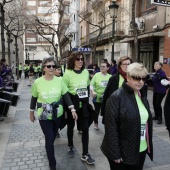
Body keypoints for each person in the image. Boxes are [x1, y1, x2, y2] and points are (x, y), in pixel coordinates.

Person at [101, 62, 153, 170]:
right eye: (136, 78)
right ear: (128, 77)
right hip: (122, 152)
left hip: (141, 148)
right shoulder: (116, 97)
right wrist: (115, 153)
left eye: (143, 79)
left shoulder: (141, 94)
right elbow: (111, 127)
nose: (140, 82)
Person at [29, 57, 77, 170]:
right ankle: (52, 164)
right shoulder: (37, 82)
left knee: (54, 133)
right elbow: (34, 98)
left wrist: (72, 109)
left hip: (57, 113)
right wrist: (31, 112)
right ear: (44, 68)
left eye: (53, 66)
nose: (51, 68)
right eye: (49, 66)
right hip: (44, 114)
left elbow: (66, 95)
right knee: (49, 138)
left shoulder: (59, 80)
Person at [63, 51, 95, 165]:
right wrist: (70, 107)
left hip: (83, 105)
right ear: (73, 61)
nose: (81, 61)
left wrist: (86, 97)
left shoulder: (86, 72)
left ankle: (85, 154)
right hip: (71, 105)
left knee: (85, 129)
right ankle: (70, 146)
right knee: (70, 127)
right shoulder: (67, 73)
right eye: (78, 59)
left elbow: (86, 86)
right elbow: (65, 91)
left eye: (82, 59)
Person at [101, 56, 132, 124]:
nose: (127, 66)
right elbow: (107, 96)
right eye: (124, 64)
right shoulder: (114, 79)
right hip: (116, 110)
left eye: (128, 64)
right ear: (120, 65)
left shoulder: (135, 78)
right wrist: (104, 112)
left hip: (130, 110)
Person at [90, 62, 111, 130]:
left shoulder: (110, 77)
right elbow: (91, 85)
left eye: (103, 66)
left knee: (106, 111)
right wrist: (92, 91)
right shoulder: (96, 75)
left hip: (106, 97)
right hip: (97, 96)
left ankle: (106, 124)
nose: (101, 68)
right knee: (96, 111)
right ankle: (96, 123)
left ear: (107, 68)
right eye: (101, 66)